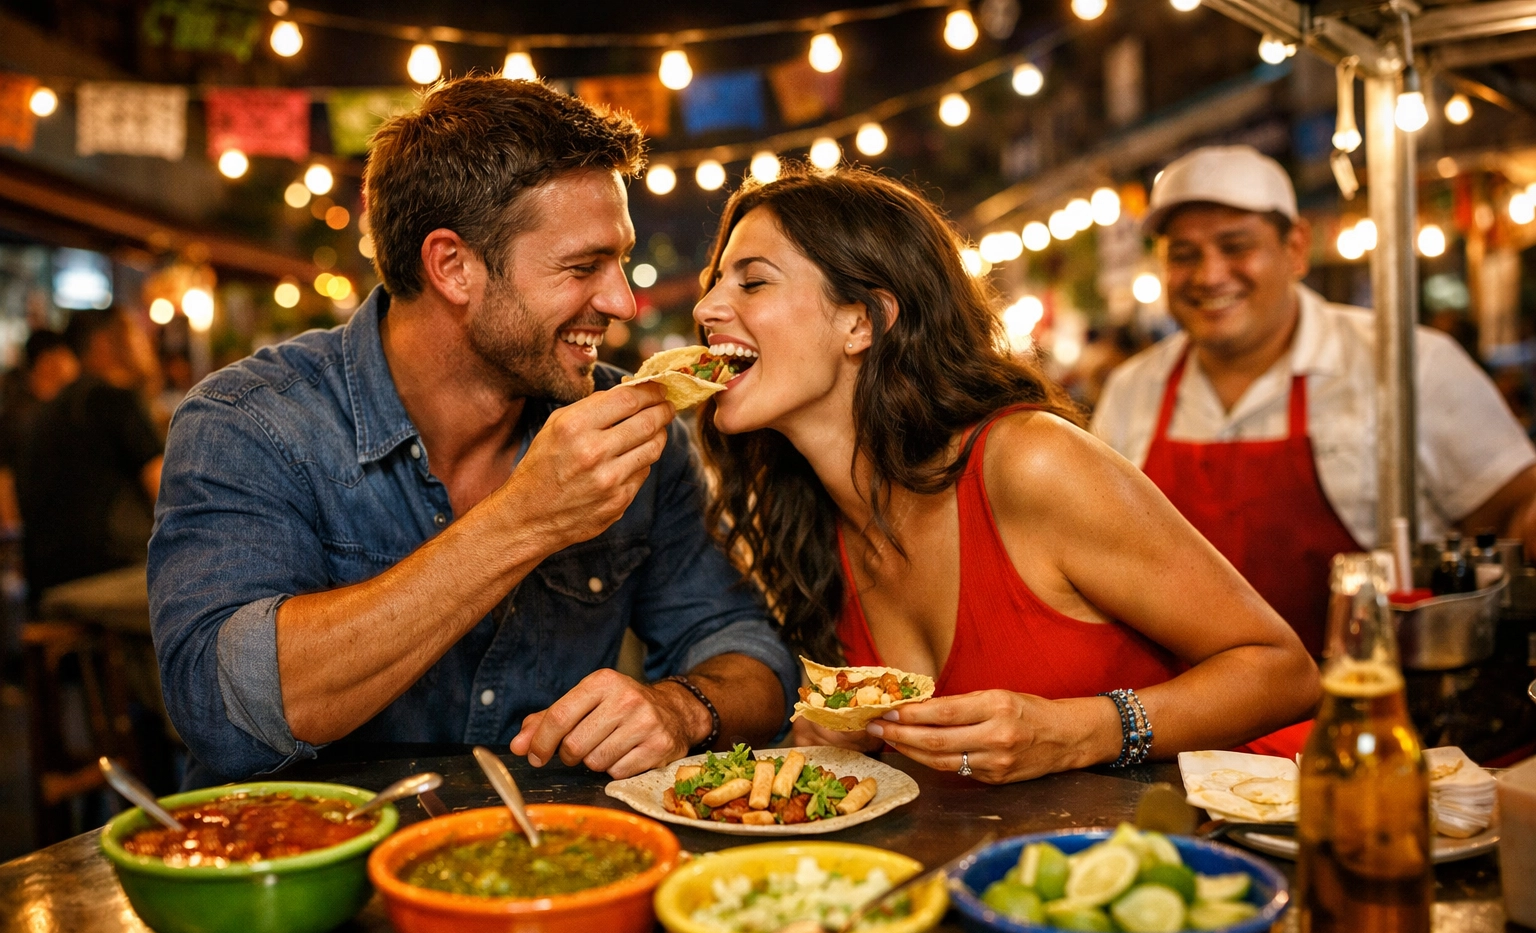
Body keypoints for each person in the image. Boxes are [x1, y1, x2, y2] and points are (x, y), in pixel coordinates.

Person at [148, 76, 796, 785]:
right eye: (583, 267)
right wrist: (525, 520)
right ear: (453, 267)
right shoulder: (252, 421)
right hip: (304, 876)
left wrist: (680, 707)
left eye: (619, 261)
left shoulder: (632, 431)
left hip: (546, 868)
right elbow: (224, 715)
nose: (621, 301)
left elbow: (748, 650)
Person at [691, 167, 1319, 784]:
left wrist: (1082, 733)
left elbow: (1283, 671)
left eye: (752, 284)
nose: (706, 307)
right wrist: (840, 741)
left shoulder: (1029, 462)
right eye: (715, 283)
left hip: (1225, 834)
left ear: (862, 321)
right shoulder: (805, 516)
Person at [1092, 146, 1536, 656]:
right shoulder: (1130, 391)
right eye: (1183, 254)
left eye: (1236, 246)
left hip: (1373, 707)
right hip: (1193, 725)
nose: (1209, 276)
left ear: (1296, 247)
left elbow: (1515, 509)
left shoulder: (1408, 364)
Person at [16, 310, 162, 596]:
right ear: (104, 343)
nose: (145, 341)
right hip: (110, 573)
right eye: (133, 332)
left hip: (45, 583)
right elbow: (170, 498)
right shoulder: (116, 400)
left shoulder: (44, 411)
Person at [0, 329, 81, 532]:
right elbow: (4, 479)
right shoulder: (22, 416)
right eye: (68, 355)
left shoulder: (53, 409)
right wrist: (13, 533)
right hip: (33, 532)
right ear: (48, 360)